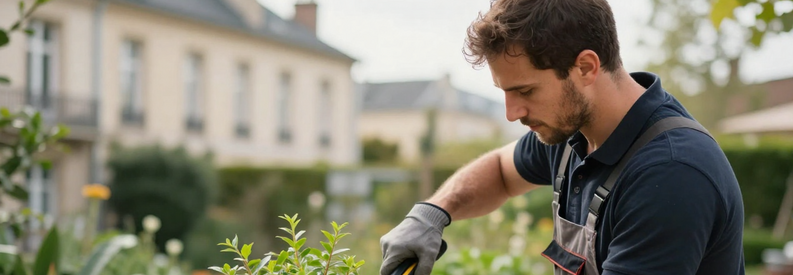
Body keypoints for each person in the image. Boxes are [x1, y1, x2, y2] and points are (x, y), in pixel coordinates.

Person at [378, 0, 746, 274]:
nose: (512, 113)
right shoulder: (572, 135)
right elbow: (500, 172)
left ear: (586, 67)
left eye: (525, 91)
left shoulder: (671, 173)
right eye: (504, 93)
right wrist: (432, 214)